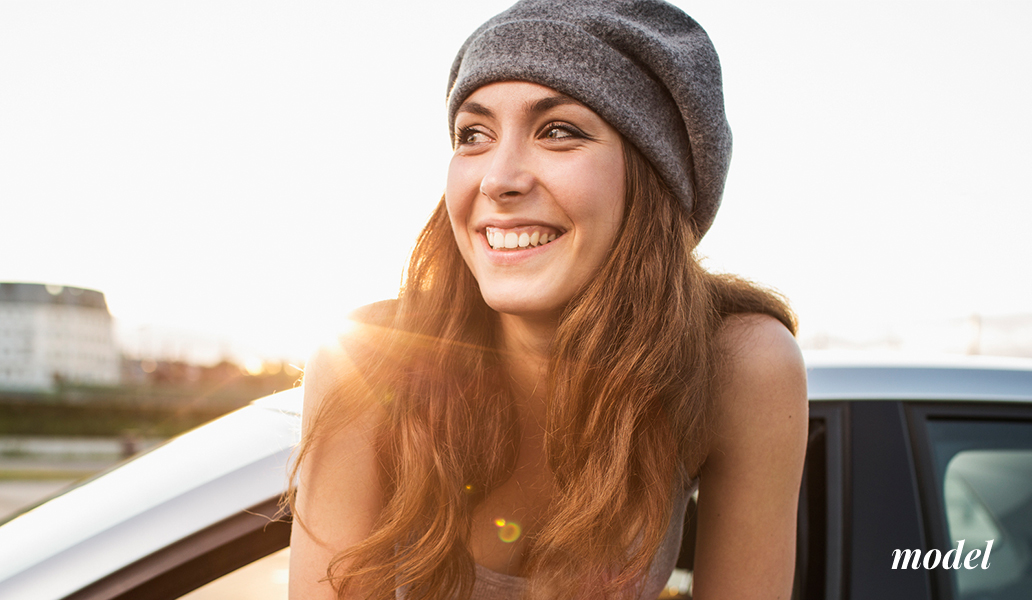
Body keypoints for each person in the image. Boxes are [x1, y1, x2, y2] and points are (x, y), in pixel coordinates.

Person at [287, 1, 807, 598]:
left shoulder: (740, 367)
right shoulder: (365, 362)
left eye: (558, 131)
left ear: (652, 177)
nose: (498, 178)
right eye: (473, 135)